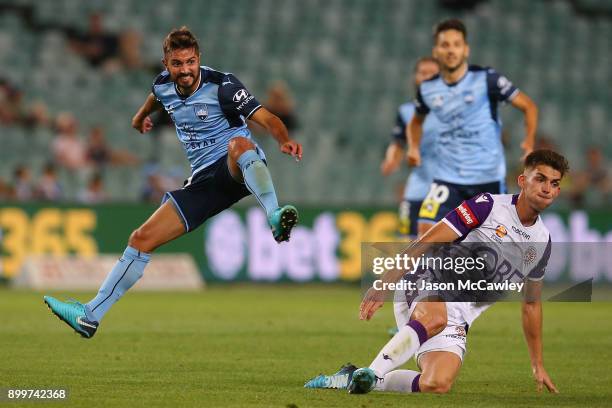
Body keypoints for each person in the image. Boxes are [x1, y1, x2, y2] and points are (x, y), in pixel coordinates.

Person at [43, 27, 302, 338]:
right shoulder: (163, 85)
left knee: (239, 145)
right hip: (203, 182)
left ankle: (273, 216)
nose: (186, 70)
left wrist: (284, 140)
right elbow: (154, 97)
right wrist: (139, 118)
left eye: (190, 62)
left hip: (237, 166)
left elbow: (268, 119)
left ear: (198, 60)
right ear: (166, 63)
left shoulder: (223, 85)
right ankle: (91, 315)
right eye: (178, 63)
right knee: (141, 239)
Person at [305, 149, 566, 394]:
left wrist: (537, 364)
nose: (546, 188)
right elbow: (429, 239)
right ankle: (372, 372)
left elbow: (531, 304)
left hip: (459, 315)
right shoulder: (487, 205)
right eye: (540, 179)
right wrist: (384, 283)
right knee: (435, 317)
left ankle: (355, 377)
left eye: (554, 183)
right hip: (428, 279)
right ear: (523, 180)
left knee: (437, 383)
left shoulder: (542, 242)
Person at [407, 19, 538, 237]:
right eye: (445, 45)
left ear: (465, 49)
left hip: (487, 180)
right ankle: (436, 272)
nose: (451, 50)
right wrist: (413, 147)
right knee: (425, 232)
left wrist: (529, 142)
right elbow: (415, 121)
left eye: (456, 44)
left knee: (492, 247)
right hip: (447, 180)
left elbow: (529, 106)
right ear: (436, 51)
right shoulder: (428, 88)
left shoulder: (487, 79)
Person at [380, 57, 440, 239]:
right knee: (407, 244)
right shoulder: (406, 111)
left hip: (448, 188)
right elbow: (397, 143)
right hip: (419, 186)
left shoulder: (454, 109)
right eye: (423, 73)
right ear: (415, 77)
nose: (427, 77)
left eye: (433, 73)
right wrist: (392, 159)